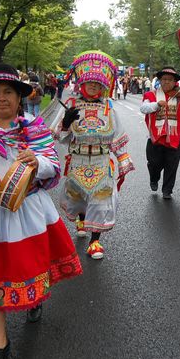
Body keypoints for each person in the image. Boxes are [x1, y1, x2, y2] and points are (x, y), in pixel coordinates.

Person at [0, 63, 82, 359]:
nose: (1, 98)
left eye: (8, 92)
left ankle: (34, 299)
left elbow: (52, 165)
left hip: (28, 214)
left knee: (29, 270)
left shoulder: (34, 130)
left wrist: (36, 161)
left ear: (19, 97)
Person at [53, 51, 134, 260]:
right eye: (90, 84)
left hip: (101, 160)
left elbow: (117, 134)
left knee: (100, 200)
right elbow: (60, 137)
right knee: (79, 197)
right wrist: (65, 123)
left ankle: (95, 240)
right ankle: (81, 218)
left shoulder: (109, 107)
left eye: (98, 85)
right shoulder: (71, 105)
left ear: (103, 87)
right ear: (82, 84)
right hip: (78, 159)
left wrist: (123, 158)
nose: (94, 87)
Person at [140, 66, 180, 199]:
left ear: (175, 82)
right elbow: (143, 108)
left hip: (175, 137)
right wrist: (156, 105)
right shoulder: (151, 95)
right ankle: (154, 179)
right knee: (154, 164)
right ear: (159, 80)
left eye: (170, 80)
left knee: (171, 166)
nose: (166, 82)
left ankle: (167, 190)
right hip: (155, 138)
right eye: (164, 79)